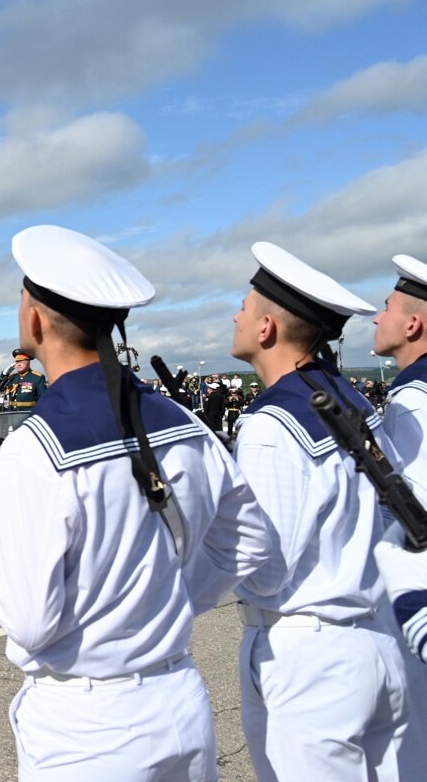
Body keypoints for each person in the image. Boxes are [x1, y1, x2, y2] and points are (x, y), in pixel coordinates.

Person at [0, 224, 272, 780]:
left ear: (34, 319)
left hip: (90, 726)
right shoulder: (184, 422)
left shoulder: (33, 447)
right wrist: (169, 598)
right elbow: (249, 540)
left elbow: (30, 622)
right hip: (179, 696)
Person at [230, 241, 409, 780]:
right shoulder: (352, 401)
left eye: (244, 307)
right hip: (376, 636)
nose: (236, 315)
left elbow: (263, 567)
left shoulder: (268, 425)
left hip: (308, 653)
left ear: (266, 329)